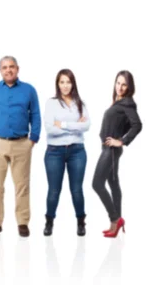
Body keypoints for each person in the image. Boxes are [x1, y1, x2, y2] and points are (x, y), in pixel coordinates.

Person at [0, 55, 41, 238]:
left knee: (22, 185)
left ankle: (22, 222)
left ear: (18, 69)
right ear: (0, 70)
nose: (8, 70)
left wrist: (33, 139)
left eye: (11, 67)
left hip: (22, 144)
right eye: (5, 67)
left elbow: (35, 115)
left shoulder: (29, 90)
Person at [92, 70, 142, 238]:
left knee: (97, 184)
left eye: (124, 84)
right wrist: (120, 135)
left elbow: (137, 125)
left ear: (129, 87)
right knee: (113, 183)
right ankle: (116, 223)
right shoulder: (118, 102)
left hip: (111, 150)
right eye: (118, 83)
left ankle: (116, 219)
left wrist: (121, 140)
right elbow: (126, 124)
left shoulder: (127, 103)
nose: (120, 87)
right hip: (108, 149)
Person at [42, 69, 90, 237]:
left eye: (68, 82)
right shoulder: (51, 103)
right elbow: (49, 129)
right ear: (57, 84)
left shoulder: (80, 103)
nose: (65, 85)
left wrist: (61, 124)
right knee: (54, 190)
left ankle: (81, 221)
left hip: (77, 151)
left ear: (73, 84)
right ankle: (49, 221)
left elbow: (86, 126)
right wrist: (74, 125)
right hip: (54, 151)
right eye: (62, 82)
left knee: (76, 189)